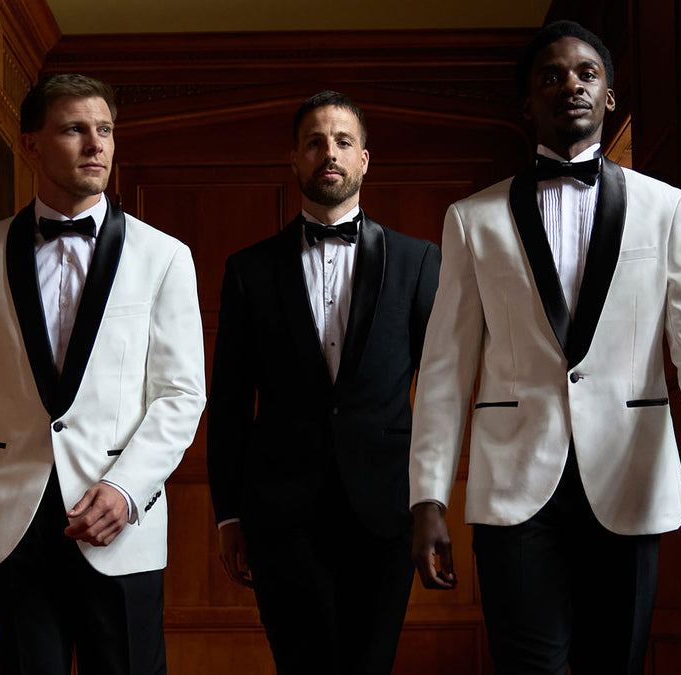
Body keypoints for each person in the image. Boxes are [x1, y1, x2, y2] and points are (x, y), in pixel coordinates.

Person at [408, 21, 681, 675]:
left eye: (586, 73)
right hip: (514, 490)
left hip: (632, 476)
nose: (570, 85)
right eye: (551, 75)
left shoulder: (670, 211)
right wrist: (427, 498)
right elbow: (446, 369)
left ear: (609, 96)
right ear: (527, 103)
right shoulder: (472, 220)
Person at [0, 73, 206, 675]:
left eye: (105, 129)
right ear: (31, 144)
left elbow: (181, 394)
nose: (96, 145)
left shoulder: (164, 256)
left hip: (121, 525)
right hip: (12, 524)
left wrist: (128, 489)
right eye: (75, 129)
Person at [206, 90, 440, 675]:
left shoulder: (419, 263)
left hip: (386, 511)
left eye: (342, 141)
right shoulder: (248, 270)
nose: (327, 153)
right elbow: (230, 402)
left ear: (365, 159)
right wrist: (227, 515)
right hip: (279, 515)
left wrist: (431, 503)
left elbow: (440, 394)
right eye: (313, 142)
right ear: (294, 159)